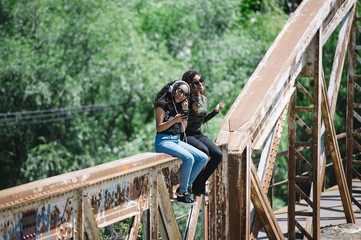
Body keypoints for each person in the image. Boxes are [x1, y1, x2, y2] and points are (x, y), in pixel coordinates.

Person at [154, 80, 208, 206]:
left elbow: (183, 129)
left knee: (202, 158)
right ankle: (183, 193)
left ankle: (184, 188)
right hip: (163, 141)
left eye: (184, 94)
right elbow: (159, 128)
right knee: (188, 158)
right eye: (179, 91)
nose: (181, 95)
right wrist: (174, 120)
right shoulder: (162, 104)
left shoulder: (180, 106)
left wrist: (185, 112)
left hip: (176, 140)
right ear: (173, 89)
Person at [182, 70, 225, 197]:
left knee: (217, 154)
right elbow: (182, 119)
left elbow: (202, 120)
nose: (200, 84)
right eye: (196, 83)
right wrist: (190, 110)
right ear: (190, 85)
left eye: (201, 80)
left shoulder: (203, 97)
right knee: (204, 152)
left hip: (197, 133)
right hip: (186, 134)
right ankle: (196, 185)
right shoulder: (187, 100)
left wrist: (215, 111)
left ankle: (200, 183)